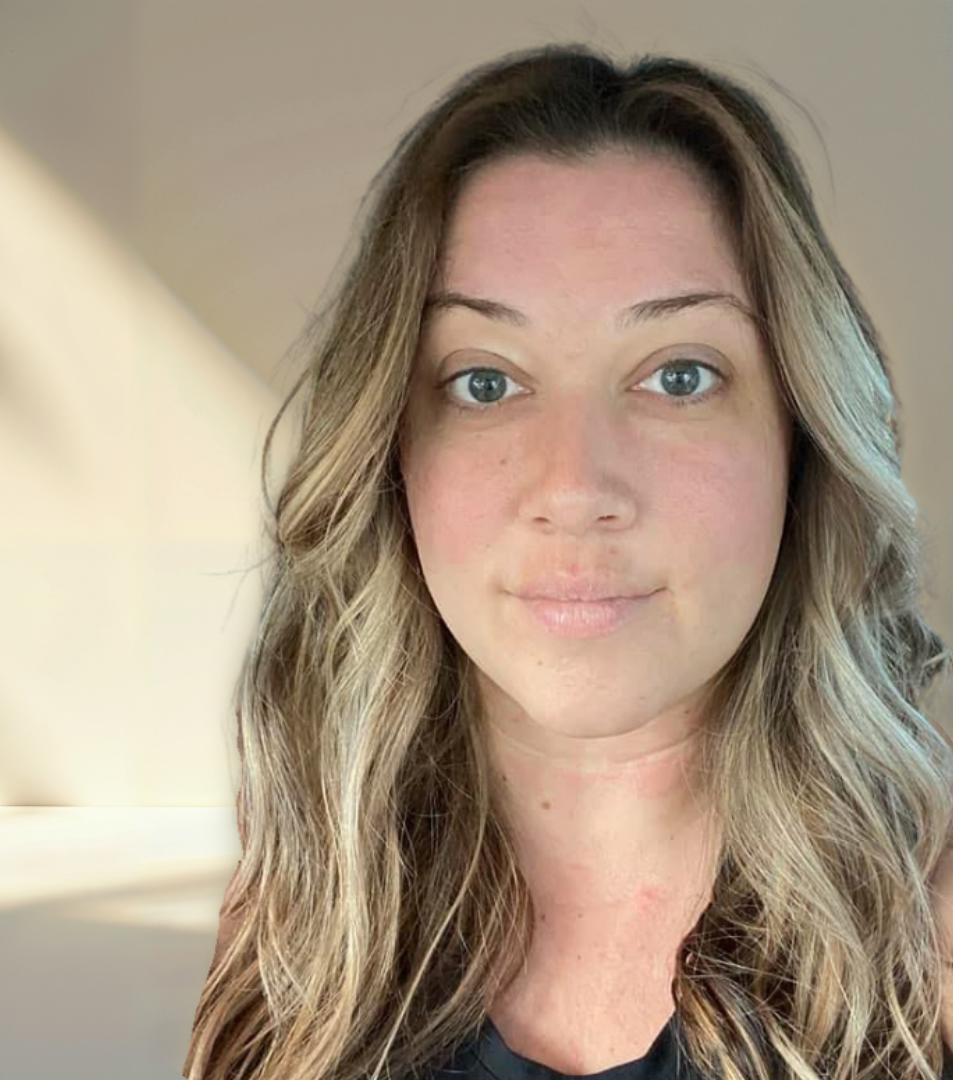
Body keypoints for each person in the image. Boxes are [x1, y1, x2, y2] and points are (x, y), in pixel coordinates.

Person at [182, 42, 953, 1080]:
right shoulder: (308, 918)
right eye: (486, 382)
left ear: (801, 443)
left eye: (679, 375)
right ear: (391, 454)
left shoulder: (932, 948)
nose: (576, 487)